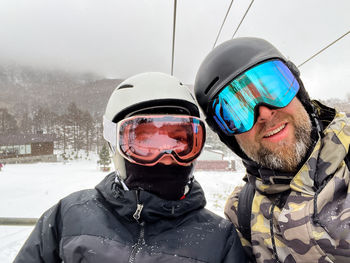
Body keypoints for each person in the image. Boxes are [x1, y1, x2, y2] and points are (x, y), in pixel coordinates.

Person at [14, 72, 246, 262]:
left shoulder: (218, 238)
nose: (166, 157)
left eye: (179, 140)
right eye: (145, 141)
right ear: (115, 144)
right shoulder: (69, 216)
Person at [194, 37, 350, 262]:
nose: (265, 113)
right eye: (239, 111)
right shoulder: (242, 213)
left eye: (273, 89)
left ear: (298, 91)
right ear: (229, 137)